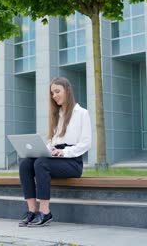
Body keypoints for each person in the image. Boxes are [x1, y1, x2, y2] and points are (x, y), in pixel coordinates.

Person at [18, 77, 92, 227]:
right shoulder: (56, 115)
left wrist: (63, 152)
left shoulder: (82, 113)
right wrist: (47, 148)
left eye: (57, 91)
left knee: (41, 163)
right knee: (25, 163)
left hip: (73, 161)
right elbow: (53, 141)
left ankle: (45, 212)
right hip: (56, 157)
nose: (54, 96)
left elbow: (86, 143)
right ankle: (32, 211)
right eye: (52, 93)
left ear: (67, 91)